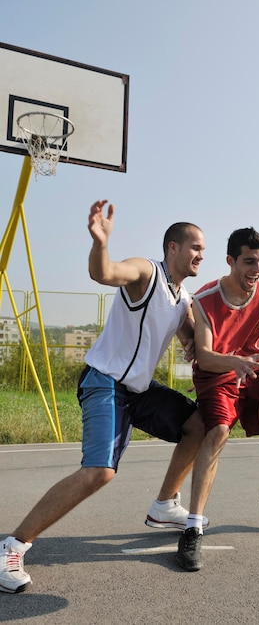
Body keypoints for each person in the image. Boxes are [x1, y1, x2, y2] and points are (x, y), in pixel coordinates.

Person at [0, 199, 207, 593]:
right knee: (99, 472)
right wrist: (100, 243)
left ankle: (165, 505)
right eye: (195, 247)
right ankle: (12, 545)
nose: (201, 255)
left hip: (140, 392)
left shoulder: (183, 300)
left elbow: (197, 342)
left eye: (204, 250)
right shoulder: (147, 272)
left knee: (198, 423)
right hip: (105, 382)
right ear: (173, 248)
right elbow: (106, 273)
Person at [176, 226, 259, 572]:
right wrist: (233, 362)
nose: (257, 269)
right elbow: (203, 355)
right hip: (217, 371)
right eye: (249, 262)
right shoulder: (203, 299)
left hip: (253, 367)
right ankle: (192, 527)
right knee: (216, 432)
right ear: (231, 260)